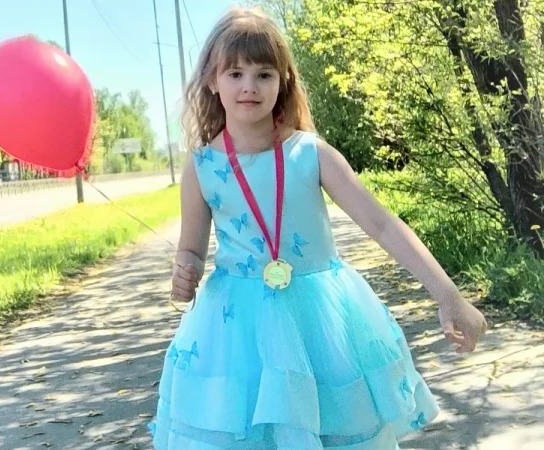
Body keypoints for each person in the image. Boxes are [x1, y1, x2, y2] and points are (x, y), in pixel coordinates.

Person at [148, 7, 487, 449]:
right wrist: (184, 273)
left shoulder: (310, 154)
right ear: (212, 81)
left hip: (322, 325)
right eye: (235, 73)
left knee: (332, 429)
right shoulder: (203, 167)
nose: (249, 86)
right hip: (236, 330)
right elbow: (190, 249)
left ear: (283, 81)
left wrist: (448, 295)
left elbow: (382, 225)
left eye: (264, 74)